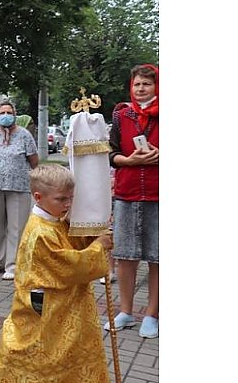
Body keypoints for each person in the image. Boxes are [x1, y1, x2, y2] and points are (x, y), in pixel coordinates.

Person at [0, 164, 112, 382]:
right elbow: (70, 265)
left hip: (64, 305)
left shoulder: (55, 221)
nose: (68, 204)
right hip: (47, 308)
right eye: (61, 199)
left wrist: (91, 233)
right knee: (43, 354)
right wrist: (99, 247)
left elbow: (72, 244)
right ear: (38, 197)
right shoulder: (40, 232)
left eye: (71, 198)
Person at [103, 64, 159, 339]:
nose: (141, 89)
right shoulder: (121, 114)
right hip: (126, 193)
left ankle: (152, 314)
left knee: (157, 257)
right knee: (125, 256)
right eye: (137, 84)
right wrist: (129, 160)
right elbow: (110, 152)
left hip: (159, 195)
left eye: (146, 84)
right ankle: (125, 311)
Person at [0, 101, 39, 280]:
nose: (5, 115)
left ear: (15, 114)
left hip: (18, 187)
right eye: (2, 112)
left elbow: (34, 161)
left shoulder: (24, 136)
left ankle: (13, 264)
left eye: (9, 112)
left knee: (16, 227)